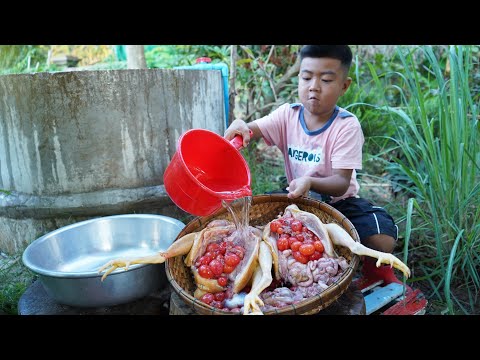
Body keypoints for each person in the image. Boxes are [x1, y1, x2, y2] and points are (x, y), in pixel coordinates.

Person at [224, 45, 403, 286]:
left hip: (341, 205)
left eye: (326, 79)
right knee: (260, 229)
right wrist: (241, 126)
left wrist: (310, 181)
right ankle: (288, 269)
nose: (314, 86)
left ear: (344, 86)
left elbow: (341, 183)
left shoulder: (346, 125)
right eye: (307, 77)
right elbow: (251, 130)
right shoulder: (287, 115)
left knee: (382, 238)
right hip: (298, 202)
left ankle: (375, 270)